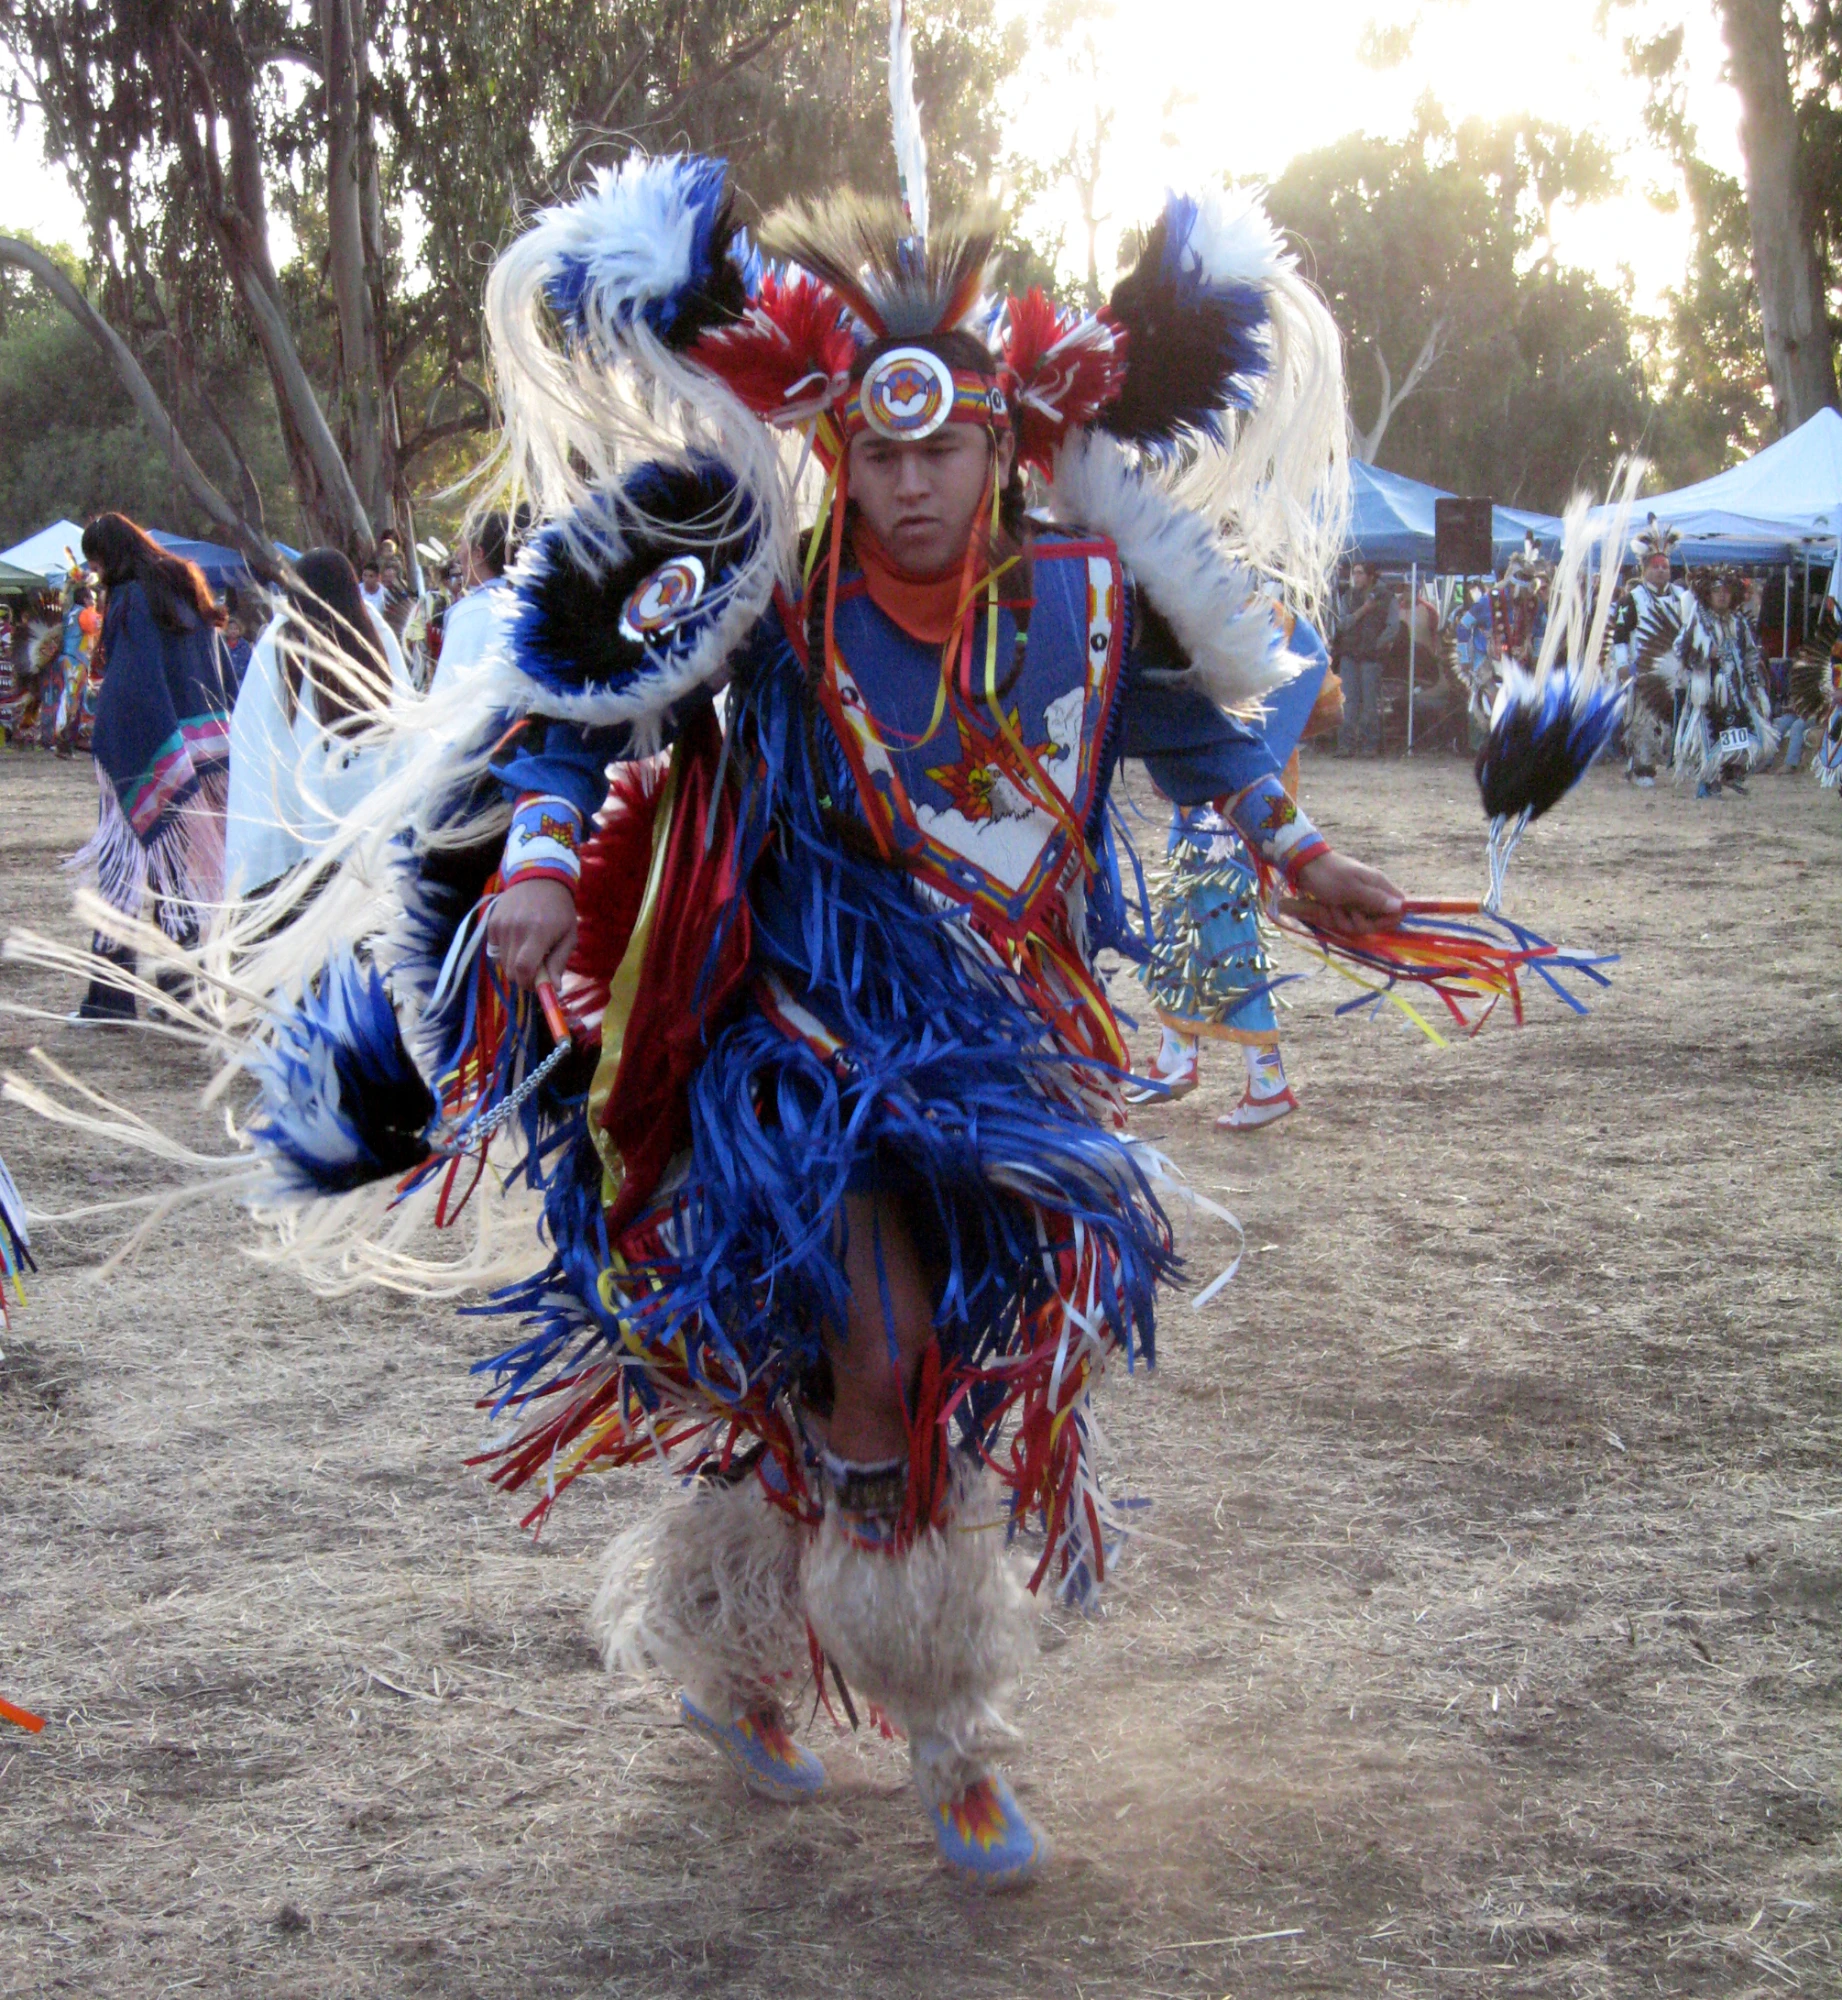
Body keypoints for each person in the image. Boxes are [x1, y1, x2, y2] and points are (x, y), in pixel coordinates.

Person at [36, 111, 1400, 1882]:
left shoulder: (1080, 589)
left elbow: (1204, 744)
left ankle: (723, 1642)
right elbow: (579, 708)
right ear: (834, 444)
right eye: (878, 454)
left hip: (999, 1049)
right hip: (795, 1036)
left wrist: (1304, 862)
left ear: (1004, 442)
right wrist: (533, 866)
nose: (912, 486)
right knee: (884, 1351)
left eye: (954, 449)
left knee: (863, 1385)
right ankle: (954, 1730)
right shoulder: (765, 590)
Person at [1127, 648, 1330, 1130]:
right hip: (1205, 809)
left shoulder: (1273, 632)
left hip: (1229, 816)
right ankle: (1175, 1056)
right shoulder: (1240, 624)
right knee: (1178, 935)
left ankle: (1268, 1082)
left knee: (1230, 945)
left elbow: (1275, 724)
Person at [68, 513, 235, 1021]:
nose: (94, 571)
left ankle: (112, 1000)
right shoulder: (185, 584)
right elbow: (213, 666)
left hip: (146, 749)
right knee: (178, 874)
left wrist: (111, 736)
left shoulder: (132, 600)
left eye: (95, 560)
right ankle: (184, 994)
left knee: (122, 872)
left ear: (111, 556)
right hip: (201, 751)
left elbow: (132, 684)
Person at [225, 549, 413, 899]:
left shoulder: (280, 637)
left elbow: (250, 732)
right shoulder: (372, 629)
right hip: (367, 826)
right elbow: (403, 727)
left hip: (294, 833)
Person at [1613, 519, 1694, 785]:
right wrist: (1623, 665)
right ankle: (1642, 767)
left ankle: (1679, 761)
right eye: (1655, 567)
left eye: (1665, 567)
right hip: (1643, 670)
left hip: (1677, 671)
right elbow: (1621, 636)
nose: (1661, 571)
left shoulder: (1683, 597)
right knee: (1643, 720)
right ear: (1644, 569)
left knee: (1676, 718)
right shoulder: (1632, 599)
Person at [424, 508, 524, 700]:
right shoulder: (527, 605)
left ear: (478, 554)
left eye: (462, 545)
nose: (459, 554)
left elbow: (445, 696)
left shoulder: (467, 614)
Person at [1331, 559, 1399, 756]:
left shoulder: (1387, 597)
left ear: (1370, 576)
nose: (1356, 577)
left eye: (1360, 573)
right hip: (1350, 654)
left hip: (1371, 657)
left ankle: (1370, 745)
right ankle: (1345, 745)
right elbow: (1342, 624)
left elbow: (1393, 626)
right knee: (1347, 701)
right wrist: (1363, 611)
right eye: (1354, 573)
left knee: (1370, 703)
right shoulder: (1348, 597)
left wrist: (1377, 645)